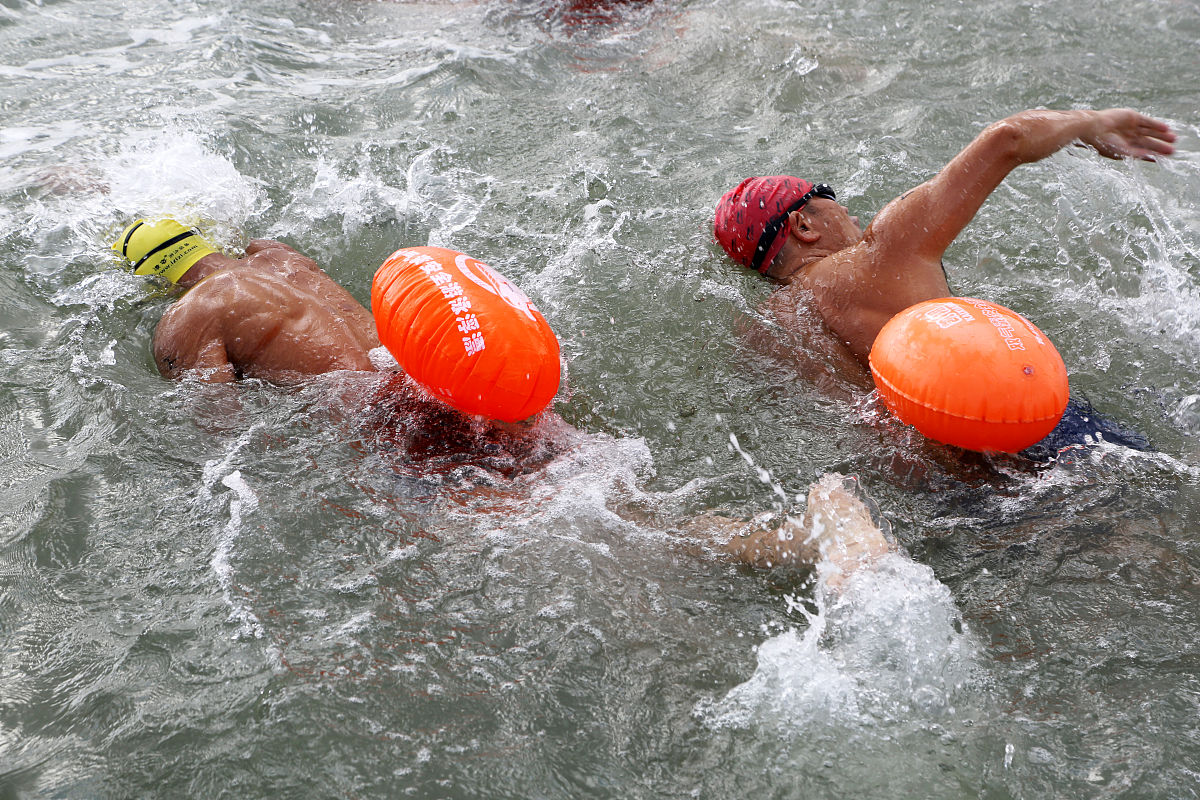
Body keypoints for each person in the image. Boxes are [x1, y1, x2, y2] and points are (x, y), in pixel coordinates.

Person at [714, 108, 1175, 455]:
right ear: (804, 225)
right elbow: (1008, 138)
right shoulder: (881, 254)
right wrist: (1091, 124)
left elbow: (859, 430)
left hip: (955, 492)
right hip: (1045, 442)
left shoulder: (764, 334)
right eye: (827, 196)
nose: (846, 208)